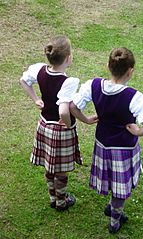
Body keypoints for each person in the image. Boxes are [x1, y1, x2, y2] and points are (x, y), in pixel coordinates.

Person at [70, 47, 143, 233]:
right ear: (130, 71)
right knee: (120, 186)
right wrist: (138, 132)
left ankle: (112, 207)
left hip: (103, 144)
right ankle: (115, 220)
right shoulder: (134, 97)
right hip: (124, 149)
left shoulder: (93, 85)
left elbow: (73, 106)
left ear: (108, 66)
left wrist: (86, 120)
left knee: (112, 181)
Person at [20, 35, 86, 211]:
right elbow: (64, 110)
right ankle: (61, 201)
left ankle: (52, 197)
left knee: (49, 164)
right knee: (61, 169)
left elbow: (23, 81)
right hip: (60, 130)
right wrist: (68, 124)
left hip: (44, 125)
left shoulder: (39, 69)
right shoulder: (68, 82)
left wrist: (36, 99)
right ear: (68, 58)